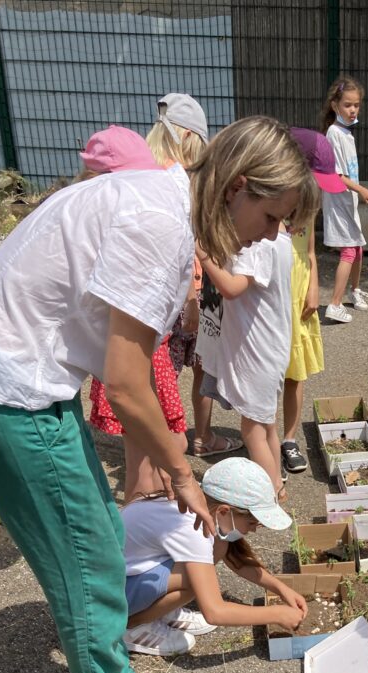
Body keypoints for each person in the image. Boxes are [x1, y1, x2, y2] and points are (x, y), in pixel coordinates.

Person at [0, 116, 316, 673]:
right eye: (271, 217)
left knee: (103, 535)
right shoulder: (164, 224)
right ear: (238, 187)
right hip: (7, 390)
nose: (271, 235)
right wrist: (181, 471)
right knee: (87, 559)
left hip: (30, 382)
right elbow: (127, 381)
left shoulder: (164, 198)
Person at [80, 127, 192, 503]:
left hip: (139, 354)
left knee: (145, 454)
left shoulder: (95, 223)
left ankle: (146, 525)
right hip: (139, 357)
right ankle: (144, 535)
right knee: (149, 455)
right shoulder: (122, 229)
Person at [122, 459, 307, 656]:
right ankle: (131, 626)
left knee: (217, 550)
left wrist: (280, 588)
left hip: (122, 578)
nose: (253, 530)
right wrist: (276, 614)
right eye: (253, 522)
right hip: (106, 596)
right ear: (224, 511)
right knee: (196, 582)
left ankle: (159, 611)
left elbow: (235, 557)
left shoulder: (201, 505)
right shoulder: (193, 529)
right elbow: (214, 612)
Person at [196, 180, 309, 501]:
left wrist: (204, 256)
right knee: (266, 425)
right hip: (271, 348)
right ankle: (278, 485)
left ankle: (269, 492)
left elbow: (232, 288)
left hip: (256, 352)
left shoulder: (257, 245)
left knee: (251, 430)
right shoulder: (283, 240)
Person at [147, 93, 242, 460]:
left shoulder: (150, 171)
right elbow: (180, 247)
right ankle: (177, 443)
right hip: (185, 295)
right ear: (187, 138)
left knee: (166, 371)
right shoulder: (175, 179)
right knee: (178, 370)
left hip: (180, 291)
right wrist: (190, 297)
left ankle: (181, 440)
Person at [280, 128, 343, 478]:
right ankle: (257, 432)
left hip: (300, 293)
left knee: (296, 372)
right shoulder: (269, 201)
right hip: (274, 296)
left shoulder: (310, 202)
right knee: (265, 372)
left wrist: (315, 285)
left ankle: (288, 439)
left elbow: (309, 250)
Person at [320, 74, 368, 324]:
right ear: (335, 105)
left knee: (357, 247)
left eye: (356, 105)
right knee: (349, 251)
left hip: (346, 202)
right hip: (339, 201)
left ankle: (354, 291)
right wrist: (361, 189)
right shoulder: (334, 133)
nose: (353, 110)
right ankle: (334, 304)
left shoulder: (345, 132)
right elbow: (337, 174)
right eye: (347, 105)